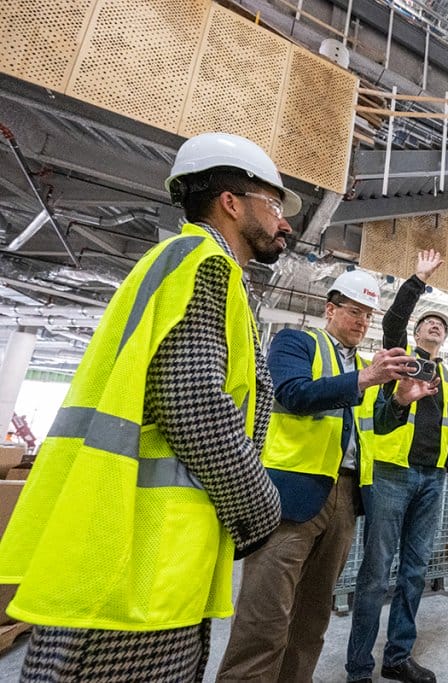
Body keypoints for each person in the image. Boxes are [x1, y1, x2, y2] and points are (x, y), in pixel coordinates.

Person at [0, 132, 296, 679]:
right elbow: (196, 406)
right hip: (136, 556)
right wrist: (262, 509)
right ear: (231, 203)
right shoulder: (203, 263)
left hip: (141, 549)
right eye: (274, 205)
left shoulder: (191, 265)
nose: (285, 223)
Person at [217, 269, 418, 681]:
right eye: (354, 312)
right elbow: (292, 393)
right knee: (265, 617)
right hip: (291, 493)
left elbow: (372, 425)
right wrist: (365, 378)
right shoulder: (296, 342)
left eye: (368, 315)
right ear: (330, 309)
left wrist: (398, 401)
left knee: (312, 618)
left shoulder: (363, 367)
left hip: (344, 498)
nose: (362, 322)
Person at [345, 250, 448, 683]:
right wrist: (417, 280)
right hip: (391, 477)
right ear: (416, 332)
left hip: (433, 480)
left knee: (415, 570)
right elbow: (393, 322)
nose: (436, 326)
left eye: (442, 325)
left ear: (445, 339)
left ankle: (397, 657)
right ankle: (358, 668)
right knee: (375, 574)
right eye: (430, 322)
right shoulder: (400, 360)